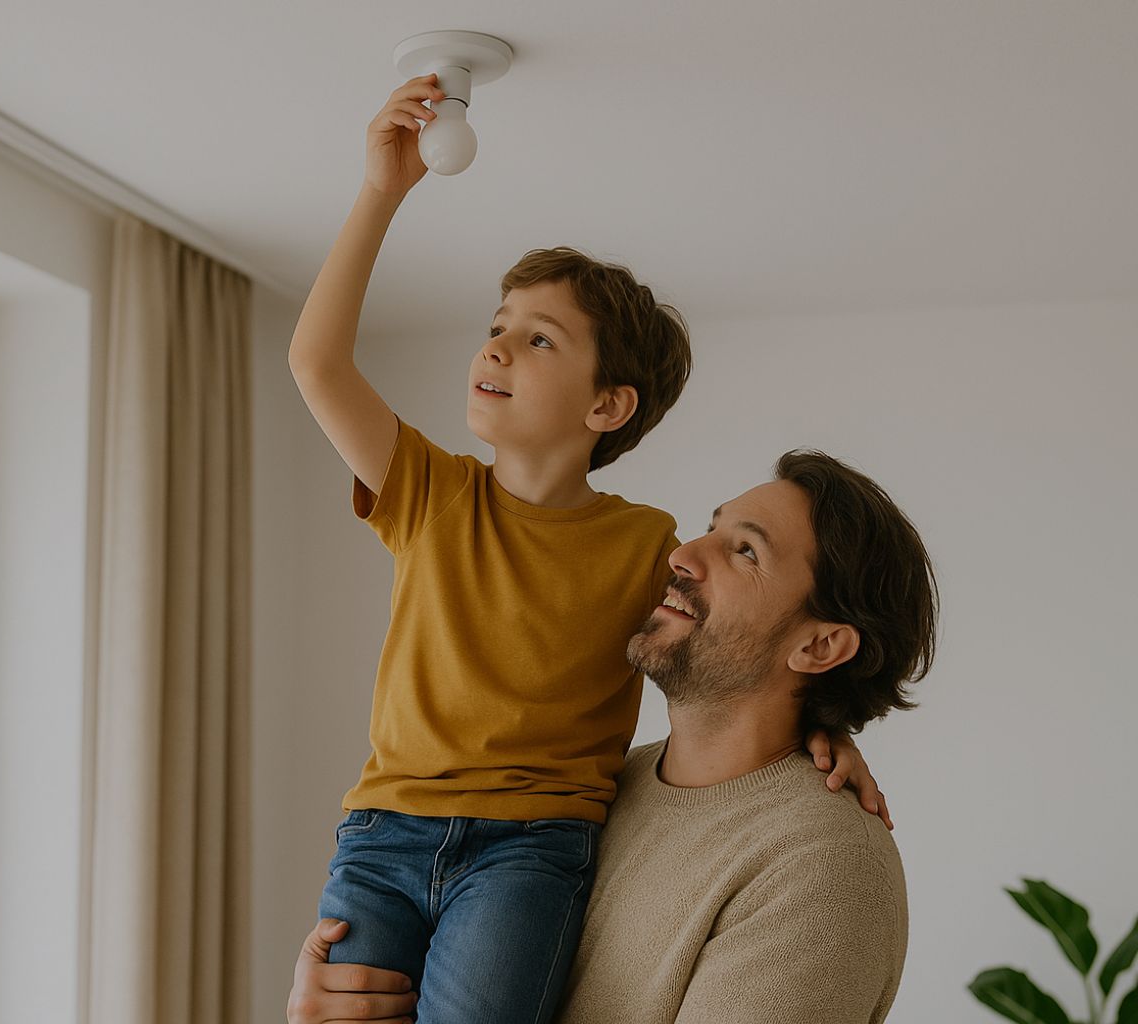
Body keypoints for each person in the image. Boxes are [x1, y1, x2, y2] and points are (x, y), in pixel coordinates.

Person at [286, 74, 888, 1023]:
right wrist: (381, 190)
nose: (496, 349)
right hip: (382, 832)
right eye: (496, 329)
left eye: (538, 340)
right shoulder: (432, 494)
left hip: (531, 850)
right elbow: (316, 362)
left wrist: (829, 726)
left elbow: (739, 650)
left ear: (607, 408)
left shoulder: (642, 545)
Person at [285, 451, 938, 1024]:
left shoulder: (823, 867)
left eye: (745, 550)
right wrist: (340, 1004)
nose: (682, 555)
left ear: (821, 644)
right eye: (711, 528)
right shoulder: (584, 793)